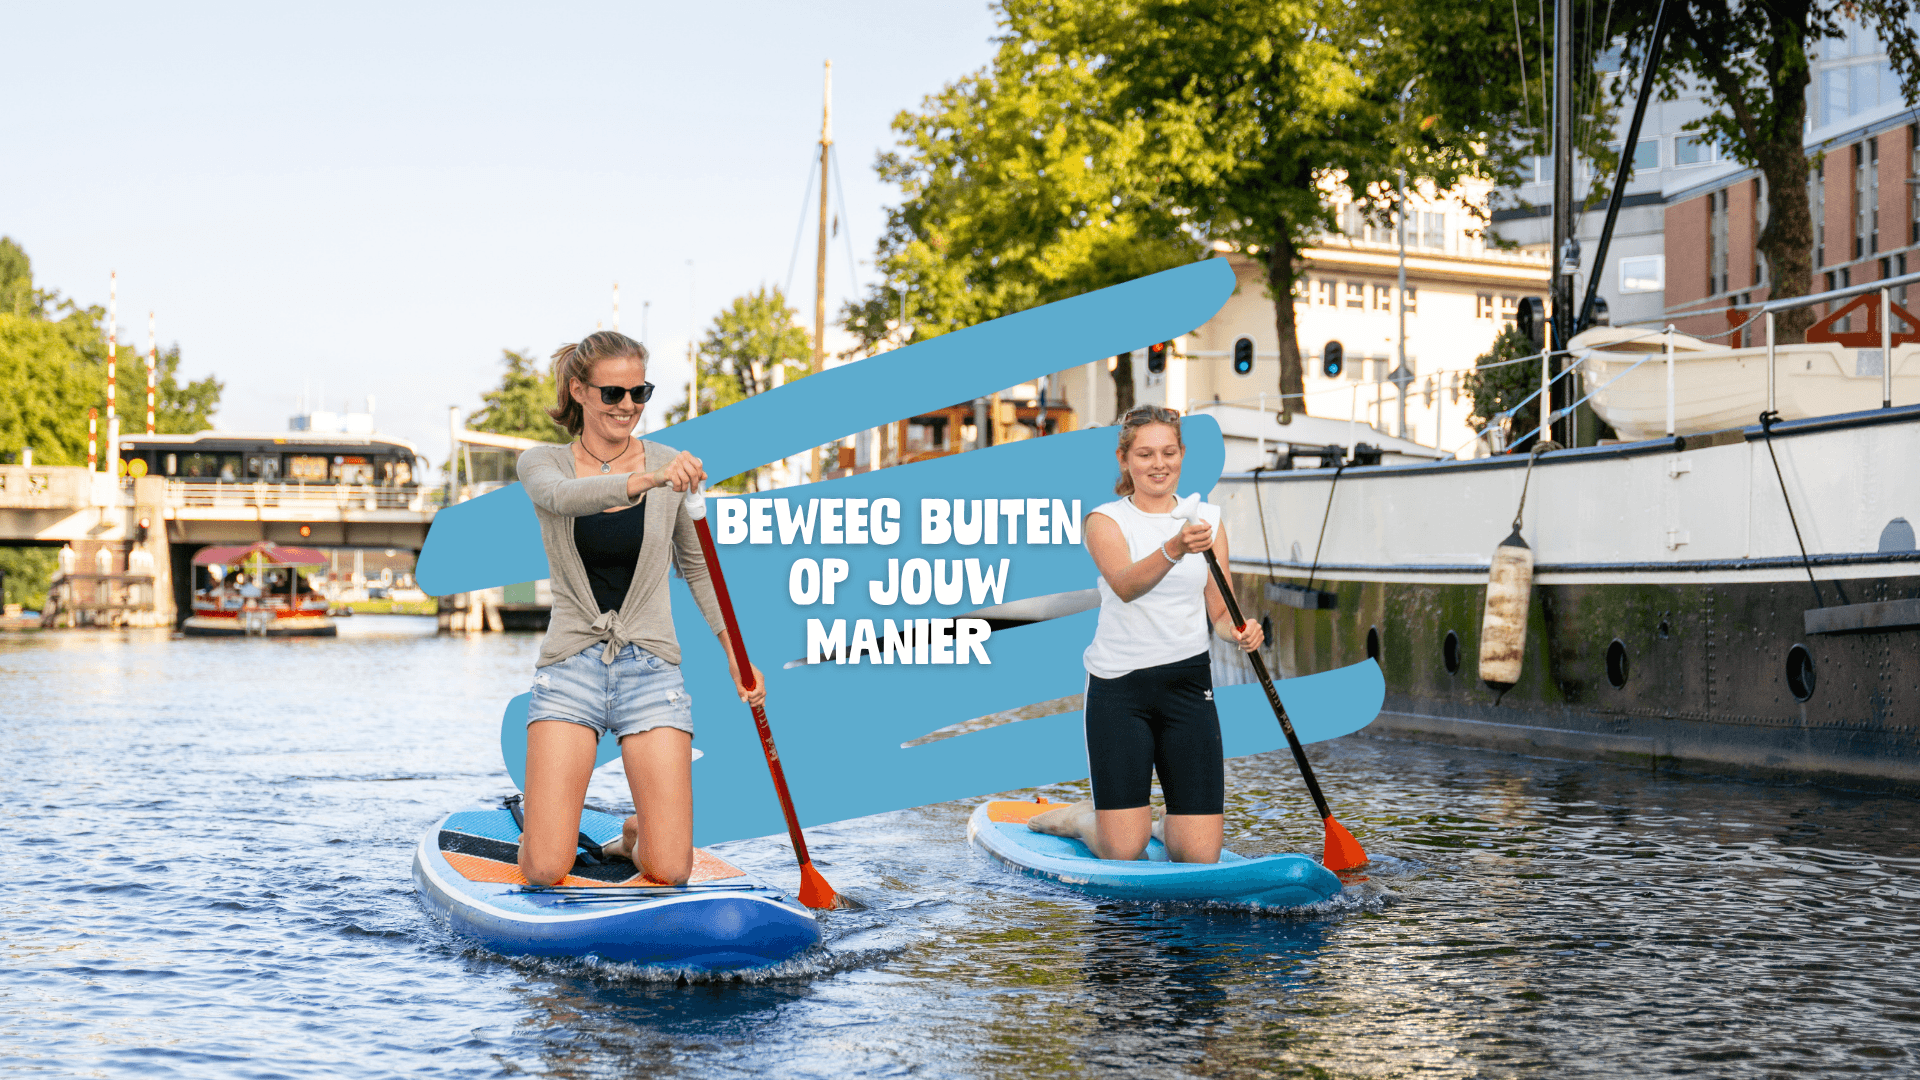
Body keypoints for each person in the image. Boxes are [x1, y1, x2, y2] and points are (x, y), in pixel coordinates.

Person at [514, 330, 764, 888]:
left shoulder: (670, 464)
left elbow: (699, 568)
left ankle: (633, 835)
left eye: (639, 392)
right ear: (579, 391)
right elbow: (565, 499)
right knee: (545, 869)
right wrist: (648, 480)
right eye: (613, 393)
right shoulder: (543, 463)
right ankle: (543, 826)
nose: (627, 406)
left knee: (670, 869)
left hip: (651, 669)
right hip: (571, 668)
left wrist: (735, 653)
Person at [1029, 405, 1263, 863]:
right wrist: (1174, 547)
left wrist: (1239, 632)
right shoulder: (1105, 521)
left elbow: (1220, 611)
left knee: (1199, 856)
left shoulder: (1208, 522)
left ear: (1182, 455)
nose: (1159, 464)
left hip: (1188, 687)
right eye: (1145, 454)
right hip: (1120, 690)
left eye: (1169, 452)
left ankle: (1162, 824)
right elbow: (1126, 585)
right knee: (1122, 849)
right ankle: (1083, 819)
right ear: (1124, 459)